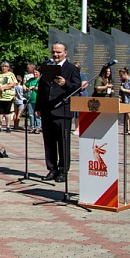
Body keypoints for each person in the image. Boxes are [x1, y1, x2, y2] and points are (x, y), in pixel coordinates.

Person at [35, 42, 81, 182]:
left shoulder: (72, 69)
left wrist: (65, 84)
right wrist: (38, 107)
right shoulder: (48, 68)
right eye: (53, 52)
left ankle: (62, 171)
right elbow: (42, 89)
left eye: (58, 52)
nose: (55, 54)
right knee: (49, 142)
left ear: (65, 53)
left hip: (62, 111)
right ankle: (52, 169)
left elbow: (77, 87)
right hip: (47, 110)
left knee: (63, 142)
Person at [0, 62, 17, 133]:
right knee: (0, 112)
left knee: (7, 111)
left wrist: (4, 88)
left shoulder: (11, 74)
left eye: (5, 66)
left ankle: (8, 126)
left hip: (8, 96)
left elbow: (13, 83)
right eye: (2, 66)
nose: (4, 68)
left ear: (8, 68)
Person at [119, 68, 130, 135]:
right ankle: (127, 128)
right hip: (125, 100)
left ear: (125, 74)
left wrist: (124, 90)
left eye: (121, 76)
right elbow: (120, 90)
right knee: (126, 114)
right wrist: (120, 96)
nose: (121, 77)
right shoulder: (123, 81)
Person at [24, 69, 41, 134]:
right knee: (31, 114)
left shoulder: (40, 80)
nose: (35, 74)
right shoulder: (30, 80)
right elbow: (25, 84)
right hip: (30, 99)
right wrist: (24, 87)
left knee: (37, 114)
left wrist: (34, 87)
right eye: (34, 72)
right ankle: (32, 126)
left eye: (36, 72)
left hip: (38, 99)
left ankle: (38, 127)